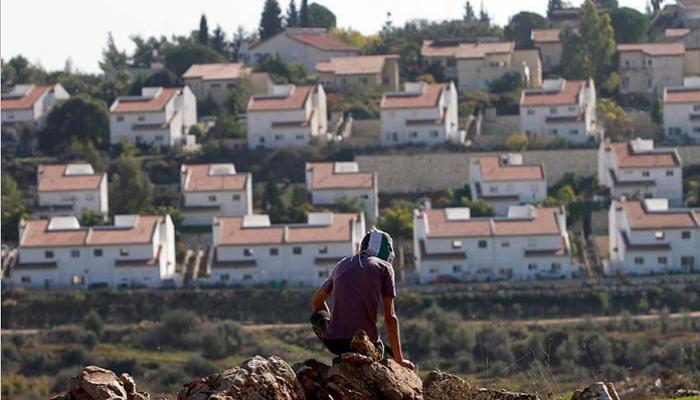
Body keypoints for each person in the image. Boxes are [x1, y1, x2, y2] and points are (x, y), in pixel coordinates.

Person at [309, 229, 415, 370]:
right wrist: (399, 360)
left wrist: (334, 323)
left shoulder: (341, 264)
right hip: (364, 345)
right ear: (387, 251)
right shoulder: (385, 267)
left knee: (317, 316)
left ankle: (343, 357)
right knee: (379, 346)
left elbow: (316, 302)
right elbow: (390, 318)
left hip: (334, 343)